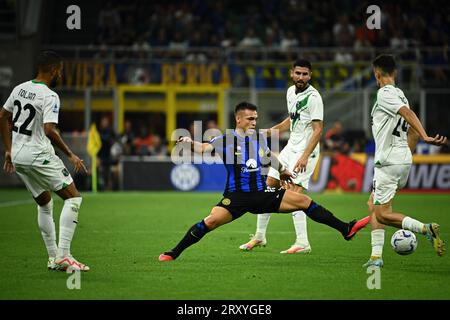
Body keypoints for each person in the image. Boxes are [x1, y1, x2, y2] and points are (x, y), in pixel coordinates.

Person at [158, 102, 370, 261]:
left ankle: (345, 229)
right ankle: (174, 253)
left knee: (303, 202)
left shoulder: (258, 138)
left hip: (261, 193)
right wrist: (189, 141)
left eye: (256, 119)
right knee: (210, 222)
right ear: (238, 119)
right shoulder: (226, 139)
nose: (254, 122)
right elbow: (204, 147)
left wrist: (283, 171)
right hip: (236, 197)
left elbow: (269, 157)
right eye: (250, 119)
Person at [0, 51, 89, 271]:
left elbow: (2, 115)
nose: (61, 74)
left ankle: (53, 257)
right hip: (39, 155)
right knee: (74, 198)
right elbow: (49, 130)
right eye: (60, 70)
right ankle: (64, 255)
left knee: (45, 203)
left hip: (19, 157)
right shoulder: (50, 96)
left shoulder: (19, 89)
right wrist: (70, 154)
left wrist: (9, 149)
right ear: (53, 70)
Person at [363, 54, 447, 268]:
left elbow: (408, 115)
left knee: (381, 213)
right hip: (401, 159)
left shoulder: (384, 94)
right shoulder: (401, 94)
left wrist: (426, 135)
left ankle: (424, 229)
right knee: (374, 204)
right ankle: (375, 257)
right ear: (396, 73)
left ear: (376, 73)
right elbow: (412, 133)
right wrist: (406, 157)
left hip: (388, 161)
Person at [239, 59, 323, 254]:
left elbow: (318, 129)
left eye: (305, 74)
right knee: (268, 187)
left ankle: (302, 242)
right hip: (291, 147)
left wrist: (304, 155)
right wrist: (271, 131)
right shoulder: (290, 92)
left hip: (305, 151)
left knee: (294, 194)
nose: (301, 77)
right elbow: (292, 120)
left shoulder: (314, 98)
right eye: (298, 73)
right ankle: (260, 236)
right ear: (291, 73)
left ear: (310, 76)